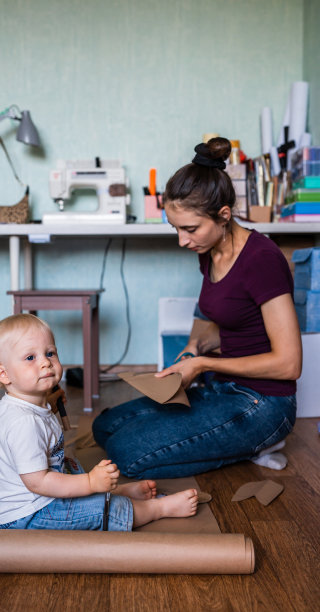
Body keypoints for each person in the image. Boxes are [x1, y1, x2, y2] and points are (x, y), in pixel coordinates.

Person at [92, 137, 302, 479]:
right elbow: (210, 314)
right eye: (175, 228)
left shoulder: (262, 260)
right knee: (106, 427)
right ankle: (224, 439)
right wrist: (192, 350)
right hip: (219, 387)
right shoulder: (209, 251)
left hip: (263, 403)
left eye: (190, 229)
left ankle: (258, 444)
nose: (182, 240)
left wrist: (203, 363)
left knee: (125, 453)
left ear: (223, 215)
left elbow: (290, 364)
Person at [0, 313, 198, 530]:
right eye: (30, 358)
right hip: (27, 516)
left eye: (50, 353)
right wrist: (90, 482)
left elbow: (38, 430)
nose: (46, 362)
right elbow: (38, 482)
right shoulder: (22, 423)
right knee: (103, 511)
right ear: (3, 374)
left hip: (30, 501)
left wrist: (51, 402)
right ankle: (155, 509)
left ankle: (106, 493)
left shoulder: (26, 405)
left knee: (70, 466)